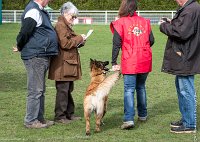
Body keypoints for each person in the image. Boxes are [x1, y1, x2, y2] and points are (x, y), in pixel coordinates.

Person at [13, 0, 58, 128]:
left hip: (40, 55)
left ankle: (39, 118)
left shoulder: (39, 10)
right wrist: (20, 46)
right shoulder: (33, 10)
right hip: (36, 56)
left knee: (40, 90)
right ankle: (31, 120)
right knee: (35, 90)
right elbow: (24, 32)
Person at [110, 0, 154, 129]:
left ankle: (129, 119)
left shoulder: (120, 22)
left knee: (129, 89)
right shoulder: (145, 22)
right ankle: (143, 115)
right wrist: (142, 48)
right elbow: (151, 40)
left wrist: (114, 61)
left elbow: (116, 44)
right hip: (145, 58)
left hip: (130, 60)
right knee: (141, 87)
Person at [159, 0, 200, 134]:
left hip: (186, 56)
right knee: (182, 87)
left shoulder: (189, 10)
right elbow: (185, 28)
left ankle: (189, 124)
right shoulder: (192, 8)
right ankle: (186, 119)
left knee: (186, 90)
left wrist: (163, 26)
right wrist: (172, 22)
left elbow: (181, 33)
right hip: (187, 54)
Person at [48, 2, 86, 124]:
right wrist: (79, 38)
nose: (74, 19)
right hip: (62, 64)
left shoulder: (65, 25)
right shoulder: (60, 26)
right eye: (72, 16)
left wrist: (81, 40)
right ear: (65, 13)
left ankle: (69, 114)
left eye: (75, 17)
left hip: (67, 63)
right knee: (63, 90)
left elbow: (70, 42)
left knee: (68, 89)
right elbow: (65, 43)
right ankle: (60, 116)